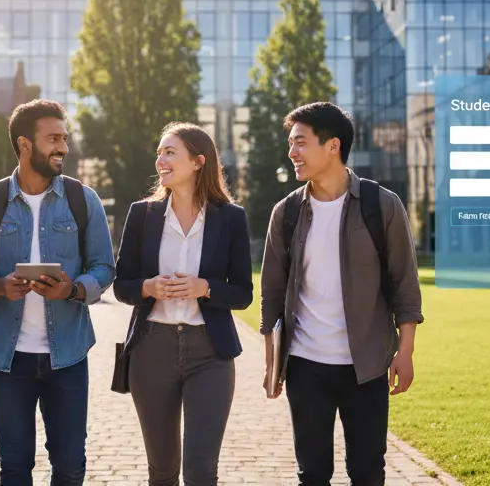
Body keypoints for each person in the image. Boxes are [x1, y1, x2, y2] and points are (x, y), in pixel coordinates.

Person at [259, 102, 424, 486]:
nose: (292, 153)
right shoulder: (285, 213)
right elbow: (271, 292)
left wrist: (405, 352)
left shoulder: (380, 205)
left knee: (367, 473)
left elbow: (405, 284)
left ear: (332, 145)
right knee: (312, 474)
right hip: (304, 365)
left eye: (300, 143)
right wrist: (272, 364)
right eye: (290, 143)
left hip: (365, 367)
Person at [0, 99, 116, 485]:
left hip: (68, 357)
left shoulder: (83, 200)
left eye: (65, 137)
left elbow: (105, 267)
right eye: (53, 138)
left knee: (69, 466)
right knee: (14, 468)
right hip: (7, 360)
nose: (63, 146)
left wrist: (74, 290)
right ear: (25, 144)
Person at [114, 122, 254, 486]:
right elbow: (122, 286)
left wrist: (204, 287)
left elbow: (242, 293)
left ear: (198, 161)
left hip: (211, 353)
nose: (160, 159)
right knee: (161, 470)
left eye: (170, 152)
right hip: (151, 351)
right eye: (159, 152)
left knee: (201, 470)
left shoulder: (231, 218)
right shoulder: (142, 214)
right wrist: (148, 287)